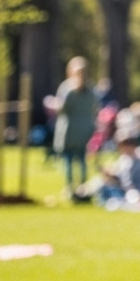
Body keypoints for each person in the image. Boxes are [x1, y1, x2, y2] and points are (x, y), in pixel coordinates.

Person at [53, 57, 98, 189]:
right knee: (82, 159)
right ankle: (83, 187)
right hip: (85, 128)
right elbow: (95, 108)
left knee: (68, 159)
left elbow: (62, 108)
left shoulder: (67, 88)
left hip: (69, 128)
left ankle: (70, 187)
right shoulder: (91, 90)